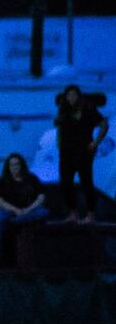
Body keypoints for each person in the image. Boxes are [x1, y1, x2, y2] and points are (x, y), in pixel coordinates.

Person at [55, 85, 109, 223]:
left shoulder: (88, 109)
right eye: (68, 95)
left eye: (73, 94)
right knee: (66, 183)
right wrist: (59, 145)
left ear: (78, 96)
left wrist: (96, 142)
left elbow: (104, 124)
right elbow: (59, 128)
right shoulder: (63, 111)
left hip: (84, 151)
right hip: (66, 151)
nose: (71, 98)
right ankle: (73, 213)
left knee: (86, 182)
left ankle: (90, 214)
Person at [0, 153, 49, 261]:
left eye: (17, 164)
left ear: (21, 165)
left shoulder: (31, 178)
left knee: (44, 212)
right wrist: (15, 209)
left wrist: (28, 209)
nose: (15, 167)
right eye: (12, 165)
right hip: (10, 210)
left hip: (29, 211)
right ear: (8, 167)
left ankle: (17, 220)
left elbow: (41, 196)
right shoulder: (3, 181)